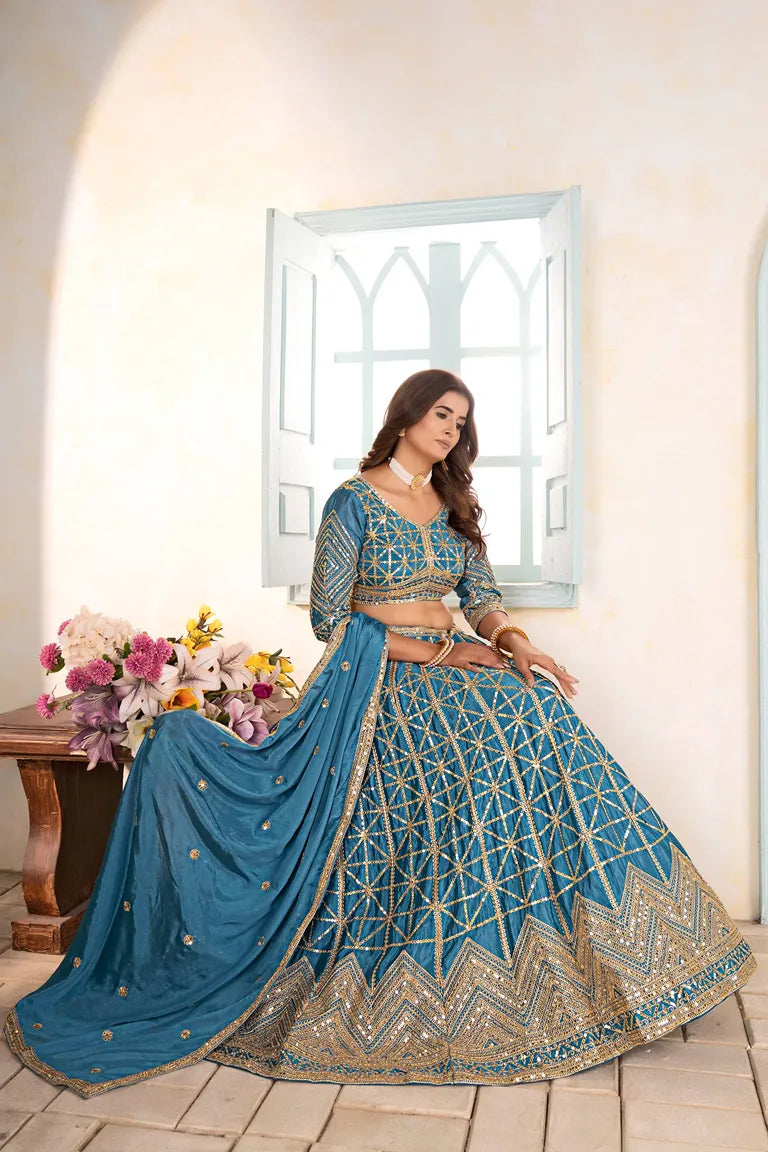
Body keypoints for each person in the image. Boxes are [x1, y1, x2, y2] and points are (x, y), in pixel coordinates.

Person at [5, 369, 756, 1097]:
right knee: (481, 749)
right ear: (406, 416)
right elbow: (331, 621)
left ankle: (610, 955)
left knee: (541, 715)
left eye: (462, 421)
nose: (453, 429)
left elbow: (482, 598)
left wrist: (516, 643)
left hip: (460, 662)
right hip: (380, 680)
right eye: (442, 414)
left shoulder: (454, 503)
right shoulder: (353, 502)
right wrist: (440, 651)